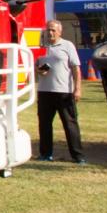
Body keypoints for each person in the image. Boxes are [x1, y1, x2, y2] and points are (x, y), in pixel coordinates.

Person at [36, 20, 87, 164]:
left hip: (64, 91)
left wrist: (77, 89)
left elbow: (76, 68)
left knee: (70, 124)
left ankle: (78, 156)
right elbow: (34, 65)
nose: (50, 33)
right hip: (45, 91)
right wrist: (38, 70)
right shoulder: (41, 46)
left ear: (59, 31)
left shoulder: (67, 45)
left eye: (53, 30)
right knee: (44, 124)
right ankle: (45, 154)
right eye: (48, 30)